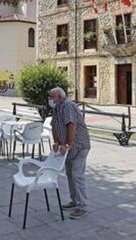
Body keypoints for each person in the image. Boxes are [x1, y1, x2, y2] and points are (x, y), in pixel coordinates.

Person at [49, 87, 91, 219]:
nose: (50, 99)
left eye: (52, 97)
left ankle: (82, 206)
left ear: (60, 97)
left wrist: (67, 144)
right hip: (68, 148)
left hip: (78, 146)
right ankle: (74, 201)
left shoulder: (67, 106)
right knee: (69, 174)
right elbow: (54, 125)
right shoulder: (56, 108)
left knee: (77, 175)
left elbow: (71, 125)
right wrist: (56, 141)